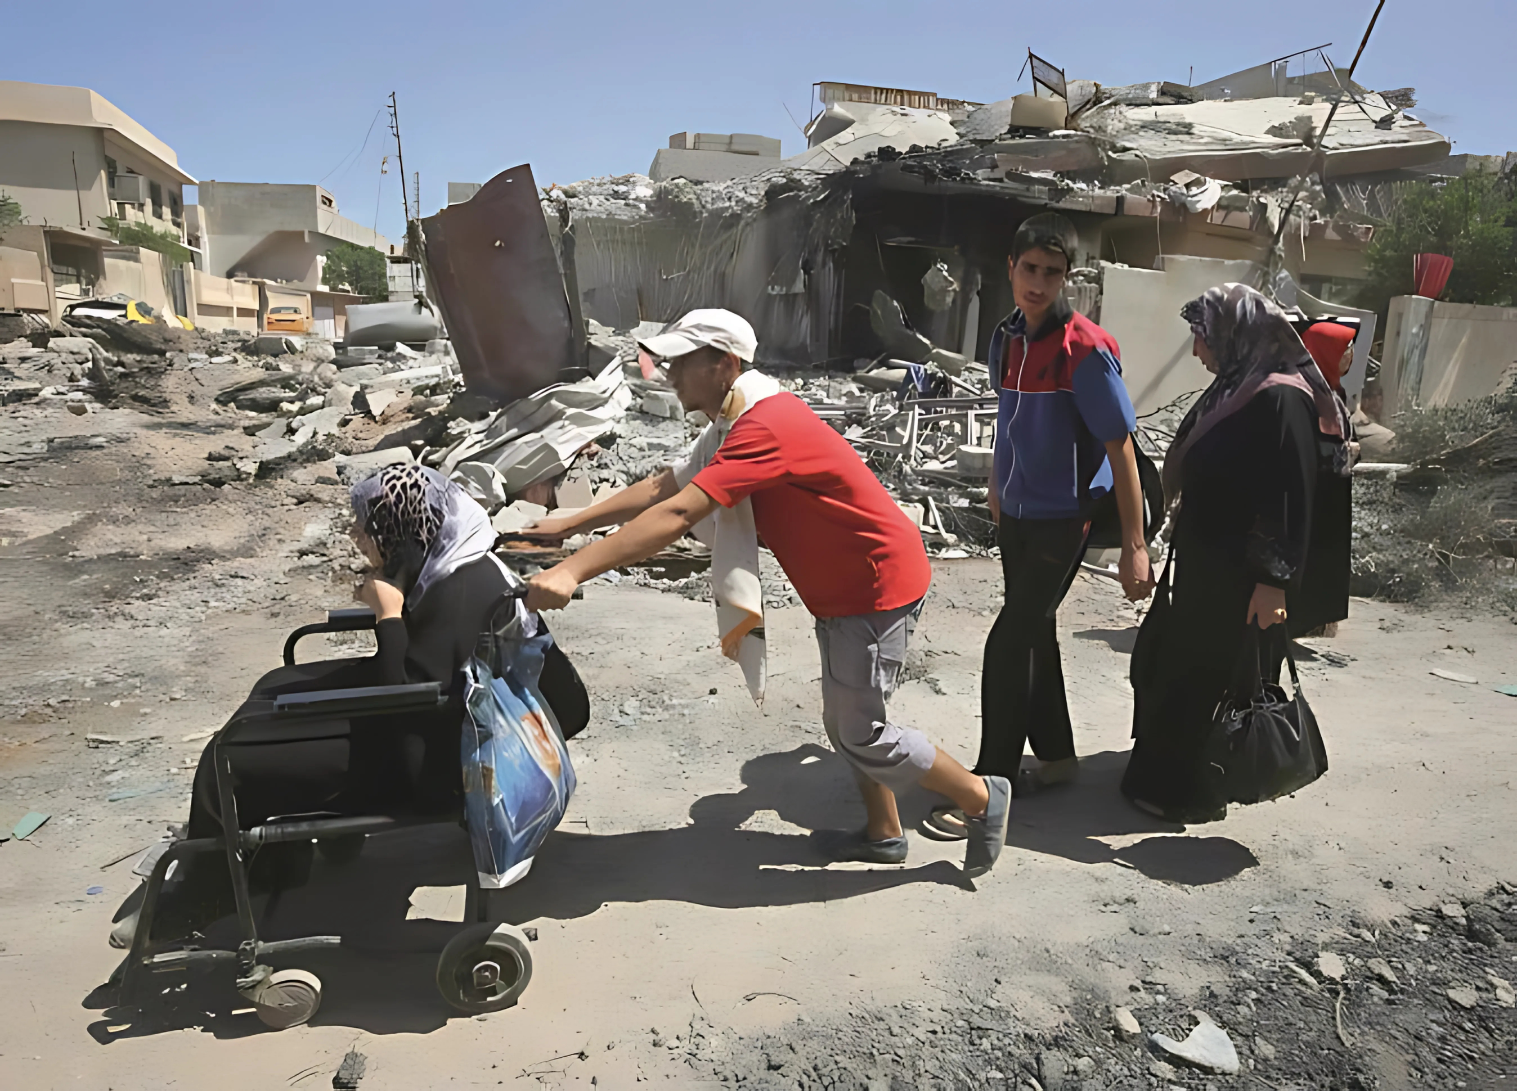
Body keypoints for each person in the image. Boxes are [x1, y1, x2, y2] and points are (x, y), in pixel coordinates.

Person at [522, 308, 1012, 876]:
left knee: (861, 729)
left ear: (724, 365)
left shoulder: (763, 426)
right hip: (842, 587)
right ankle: (883, 832)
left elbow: (682, 510)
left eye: (680, 362)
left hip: (873, 585)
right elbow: (667, 483)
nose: (667, 373)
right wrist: (566, 524)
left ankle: (981, 797)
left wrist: (573, 570)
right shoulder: (736, 419)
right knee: (848, 718)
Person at [109, 465, 588, 949]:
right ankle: (244, 860)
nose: (356, 535)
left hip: (425, 758)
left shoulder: (462, 593)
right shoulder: (455, 561)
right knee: (278, 684)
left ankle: (207, 896)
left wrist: (389, 616)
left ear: (405, 532)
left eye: (366, 527)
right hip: (425, 714)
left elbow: (406, 702)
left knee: (228, 757)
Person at [928, 214, 1152, 840]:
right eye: (1030, 269)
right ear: (1011, 268)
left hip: (1065, 519)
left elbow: (1122, 449)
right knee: (1035, 630)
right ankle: (1055, 757)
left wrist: (1135, 546)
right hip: (1018, 514)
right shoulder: (1006, 339)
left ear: (1066, 279)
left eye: (1053, 274)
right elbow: (1007, 420)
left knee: (1008, 639)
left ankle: (987, 786)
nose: (1039, 283)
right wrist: (998, 483)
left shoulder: (1085, 350)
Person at [1120, 283, 1351, 823]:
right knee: (1184, 671)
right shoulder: (1237, 387)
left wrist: (1272, 582)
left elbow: (1289, 495)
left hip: (1239, 578)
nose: (1197, 350)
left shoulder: (1279, 396)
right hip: (1205, 564)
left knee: (1211, 681)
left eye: (1201, 337)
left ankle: (1191, 791)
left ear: (1232, 334)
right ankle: (1166, 777)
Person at [1292, 320, 1359, 638]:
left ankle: (1314, 619)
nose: (1351, 354)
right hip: (1311, 494)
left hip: (1331, 494)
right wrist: (1345, 450)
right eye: (1344, 348)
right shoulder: (1305, 392)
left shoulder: (1334, 392)